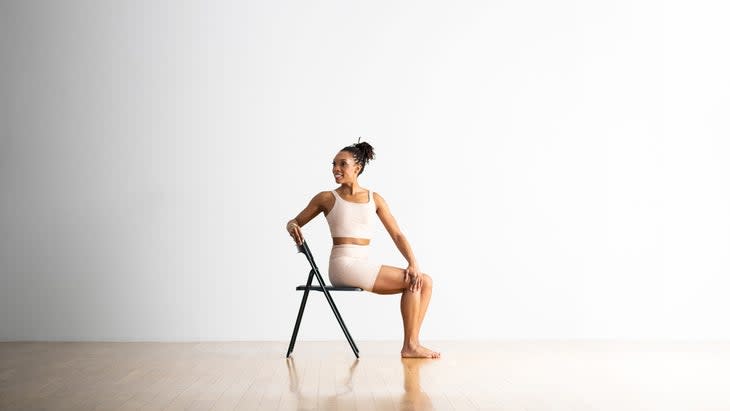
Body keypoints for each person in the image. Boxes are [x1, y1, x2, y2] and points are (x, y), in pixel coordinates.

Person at [286, 140, 440, 359]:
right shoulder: (327, 198)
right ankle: (411, 346)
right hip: (343, 266)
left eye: (342, 164)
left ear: (357, 168)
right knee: (417, 281)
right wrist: (292, 226)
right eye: (333, 164)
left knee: (424, 280)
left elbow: (397, 234)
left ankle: (411, 344)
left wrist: (413, 262)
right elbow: (293, 221)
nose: (335, 169)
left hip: (362, 264)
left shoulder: (374, 199)